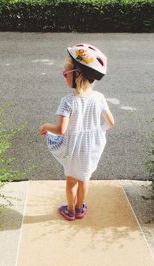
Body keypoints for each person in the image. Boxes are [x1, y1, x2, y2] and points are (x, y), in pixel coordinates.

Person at [39, 43, 115, 221]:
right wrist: (97, 133)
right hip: (90, 147)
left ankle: (70, 210)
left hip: (73, 148)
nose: (63, 75)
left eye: (65, 73)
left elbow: (60, 130)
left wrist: (46, 126)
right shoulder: (99, 98)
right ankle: (81, 208)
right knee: (84, 179)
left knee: (71, 180)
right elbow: (110, 122)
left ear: (76, 75)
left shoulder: (67, 101)